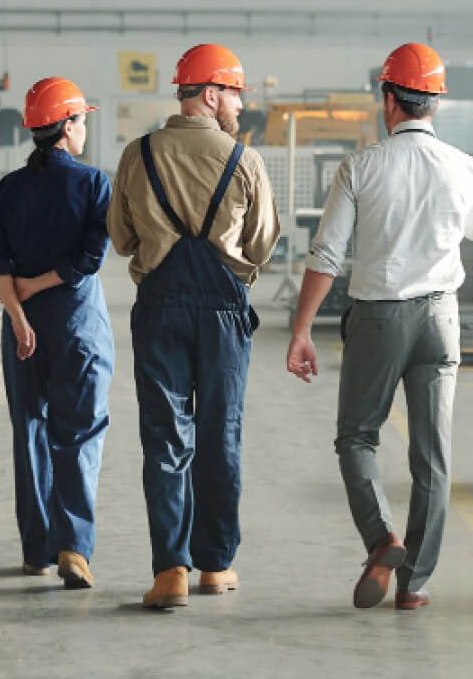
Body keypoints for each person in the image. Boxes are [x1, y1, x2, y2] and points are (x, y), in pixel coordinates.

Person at [284, 42, 473, 613]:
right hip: (442, 317)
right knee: (433, 456)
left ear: (388, 99)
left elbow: (326, 254)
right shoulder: (466, 169)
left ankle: (383, 540)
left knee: (357, 437)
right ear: (435, 105)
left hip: (380, 318)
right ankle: (414, 583)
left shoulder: (363, 166)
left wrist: (301, 329)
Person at [109, 43, 280, 610]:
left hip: (159, 307)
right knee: (220, 433)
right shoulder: (244, 159)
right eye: (233, 92)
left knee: (164, 438)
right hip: (224, 310)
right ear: (210, 94)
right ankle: (216, 564)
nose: (238, 103)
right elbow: (262, 242)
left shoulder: (137, 154)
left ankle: (170, 572)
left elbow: (122, 239)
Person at [0, 76, 115, 590]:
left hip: (21, 330)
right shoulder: (93, 183)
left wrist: (17, 310)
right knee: (78, 432)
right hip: (77, 325)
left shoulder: (8, 189)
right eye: (82, 121)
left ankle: (36, 550)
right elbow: (90, 258)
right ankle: (74, 549)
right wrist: (38, 287)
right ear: (68, 126)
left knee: (30, 430)